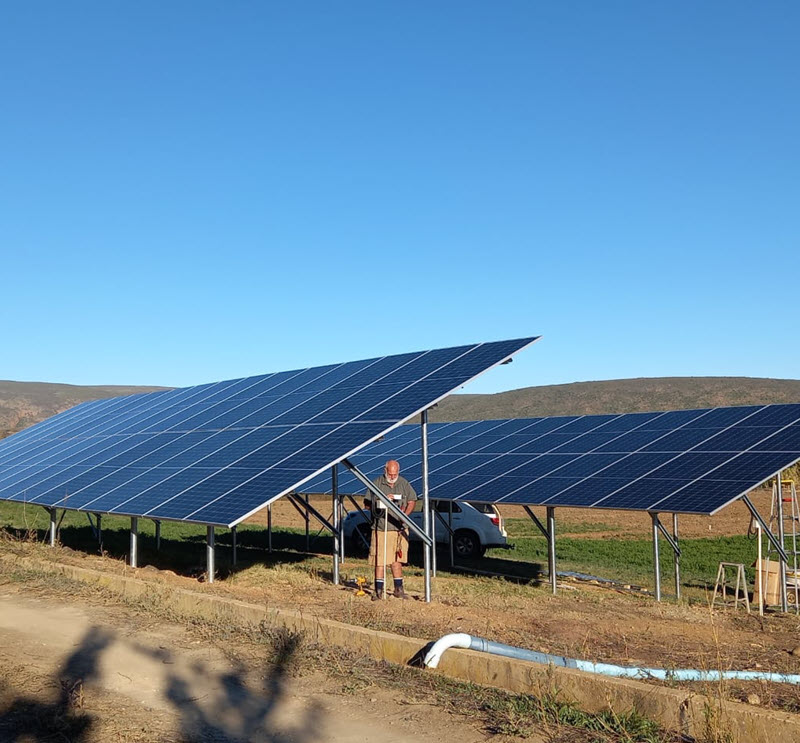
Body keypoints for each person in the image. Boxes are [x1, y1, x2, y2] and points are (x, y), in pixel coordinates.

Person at [366, 459, 417, 600]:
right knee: (380, 560)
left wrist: (404, 516)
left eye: (395, 474)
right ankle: (378, 591)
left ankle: (398, 589)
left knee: (397, 560)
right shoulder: (377, 483)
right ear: (385, 470)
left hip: (399, 529)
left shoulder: (404, 483)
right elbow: (367, 504)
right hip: (382, 529)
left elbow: (412, 500)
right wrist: (382, 501)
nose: (393, 476)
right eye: (390, 473)